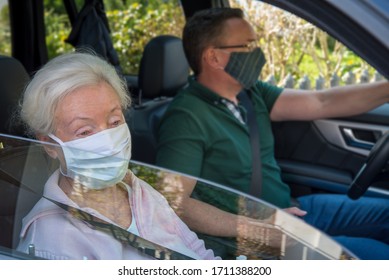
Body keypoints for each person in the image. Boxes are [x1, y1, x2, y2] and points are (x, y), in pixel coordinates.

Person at [156, 7, 389, 259]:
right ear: (213, 57)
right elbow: (174, 203)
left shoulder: (251, 93)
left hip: (292, 211)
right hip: (250, 240)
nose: (258, 53)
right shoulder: (186, 116)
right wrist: (258, 229)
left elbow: (322, 102)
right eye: (247, 46)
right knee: (378, 256)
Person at [16, 51, 218, 260]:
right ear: (49, 144)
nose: (109, 140)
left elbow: (200, 255)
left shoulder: (140, 192)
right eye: (85, 131)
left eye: (114, 122)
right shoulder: (52, 239)